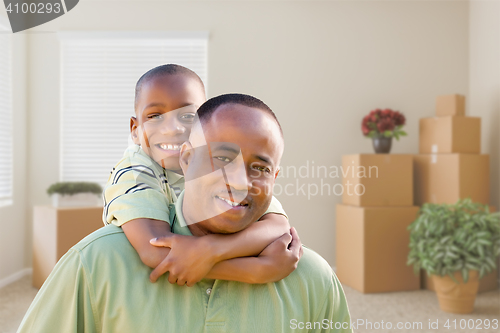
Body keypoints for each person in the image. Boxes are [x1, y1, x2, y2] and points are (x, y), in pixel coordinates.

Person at [17, 93, 352, 333]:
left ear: (275, 177)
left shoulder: (311, 278)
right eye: (222, 157)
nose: (239, 181)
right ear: (187, 159)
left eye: (259, 167)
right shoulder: (95, 264)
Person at [103, 64, 293, 285]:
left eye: (187, 116)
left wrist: (212, 250)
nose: (172, 129)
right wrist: (257, 270)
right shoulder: (135, 172)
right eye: (155, 116)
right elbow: (155, 251)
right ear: (135, 130)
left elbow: (277, 225)